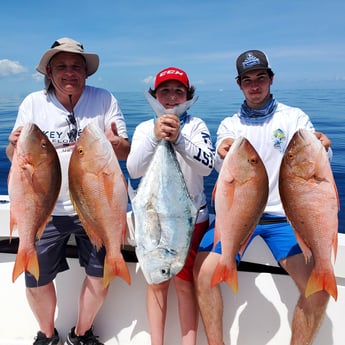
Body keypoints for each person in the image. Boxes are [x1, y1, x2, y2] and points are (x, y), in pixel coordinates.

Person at [193, 50, 332, 345]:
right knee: (203, 274)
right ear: (239, 84)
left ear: (271, 79)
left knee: (317, 290)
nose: (254, 85)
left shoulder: (294, 117)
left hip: (285, 219)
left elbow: (317, 161)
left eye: (260, 78)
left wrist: (324, 146)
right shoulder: (231, 125)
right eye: (247, 80)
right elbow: (222, 165)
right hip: (240, 217)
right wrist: (223, 152)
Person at [6, 37, 130, 345]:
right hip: (47, 209)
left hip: (95, 208)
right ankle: (47, 335)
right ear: (49, 71)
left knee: (100, 274)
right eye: (61, 66)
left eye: (76, 66)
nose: (69, 72)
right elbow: (15, 157)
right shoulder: (32, 104)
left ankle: (81, 332)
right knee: (36, 279)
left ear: (86, 72)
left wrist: (118, 146)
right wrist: (11, 145)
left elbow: (125, 150)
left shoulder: (104, 99)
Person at [126, 67, 215, 345]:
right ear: (155, 95)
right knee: (156, 282)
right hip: (153, 219)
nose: (172, 97)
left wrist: (178, 139)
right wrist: (156, 137)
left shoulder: (196, 126)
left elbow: (206, 167)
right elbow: (134, 169)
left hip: (188, 221)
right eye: (165, 91)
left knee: (185, 283)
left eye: (179, 91)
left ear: (188, 96)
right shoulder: (143, 128)